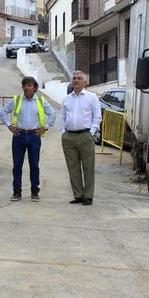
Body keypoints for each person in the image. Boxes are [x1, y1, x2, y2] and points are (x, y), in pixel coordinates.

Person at [1, 76, 56, 201]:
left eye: (29, 85)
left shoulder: (40, 101)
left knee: (34, 165)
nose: (26, 88)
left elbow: (52, 113)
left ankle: (35, 192)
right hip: (19, 135)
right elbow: (3, 112)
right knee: (17, 165)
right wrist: (9, 125)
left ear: (35, 88)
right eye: (25, 85)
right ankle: (17, 191)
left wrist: (45, 127)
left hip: (34, 136)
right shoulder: (17, 100)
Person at [60, 70, 102, 204]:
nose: (76, 80)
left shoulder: (91, 97)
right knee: (72, 167)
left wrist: (91, 132)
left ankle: (88, 196)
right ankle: (78, 194)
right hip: (69, 137)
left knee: (88, 167)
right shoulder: (67, 99)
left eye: (79, 78)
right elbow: (62, 117)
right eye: (74, 78)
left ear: (85, 82)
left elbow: (97, 116)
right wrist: (63, 132)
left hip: (85, 135)